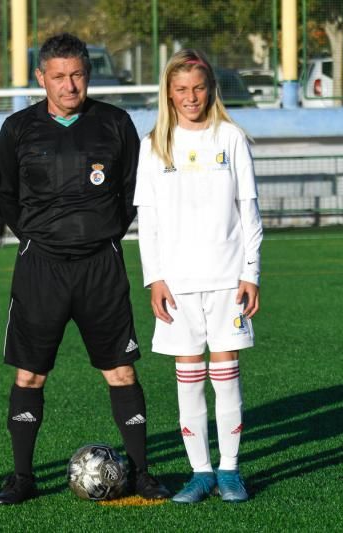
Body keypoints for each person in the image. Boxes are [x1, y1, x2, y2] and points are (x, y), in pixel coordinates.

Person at [0, 33, 171, 504]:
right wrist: (35, 236)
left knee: (122, 371)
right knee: (29, 375)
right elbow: (5, 195)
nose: (69, 85)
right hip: (41, 268)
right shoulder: (17, 128)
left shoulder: (114, 123)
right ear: (40, 78)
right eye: (58, 76)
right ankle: (23, 478)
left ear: (87, 74)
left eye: (77, 75)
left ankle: (142, 471)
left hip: (100, 267)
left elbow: (134, 191)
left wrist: (105, 231)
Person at [134, 49, 263, 504]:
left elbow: (248, 210)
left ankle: (229, 470)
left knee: (225, 376)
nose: (191, 97)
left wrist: (251, 273)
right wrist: (156, 279)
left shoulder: (230, 137)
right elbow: (146, 221)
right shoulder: (153, 145)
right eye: (181, 89)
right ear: (168, 93)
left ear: (211, 89)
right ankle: (200, 472)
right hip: (178, 284)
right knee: (187, 376)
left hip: (228, 278)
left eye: (198, 88)